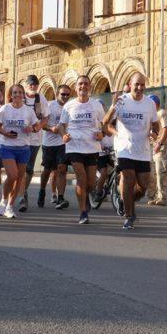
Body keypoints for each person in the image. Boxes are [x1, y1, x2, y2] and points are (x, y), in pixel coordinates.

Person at [107, 73, 161, 230]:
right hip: (124, 149)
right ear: (130, 84)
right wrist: (118, 133)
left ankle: (125, 200)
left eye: (142, 85)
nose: (140, 87)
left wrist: (154, 133)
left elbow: (156, 126)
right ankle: (129, 216)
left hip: (142, 151)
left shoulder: (150, 104)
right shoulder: (122, 101)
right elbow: (107, 124)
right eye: (137, 84)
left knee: (143, 187)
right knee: (129, 180)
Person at [59, 75, 105, 224]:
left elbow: (104, 123)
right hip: (74, 146)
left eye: (86, 84)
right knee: (81, 179)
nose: (83, 86)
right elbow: (61, 125)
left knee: (91, 183)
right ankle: (83, 213)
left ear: (90, 87)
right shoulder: (69, 106)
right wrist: (63, 135)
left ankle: (86, 196)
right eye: (80, 84)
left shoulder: (96, 105)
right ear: (76, 87)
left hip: (91, 147)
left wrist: (101, 133)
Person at [0, 84, 39, 219]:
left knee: (20, 178)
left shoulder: (28, 111)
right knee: (12, 175)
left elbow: (37, 125)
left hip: (24, 147)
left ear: (23, 95)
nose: (18, 95)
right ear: (11, 95)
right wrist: (6, 133)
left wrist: (31, 128)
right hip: (7, 146)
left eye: (20, 92)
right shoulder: (4, 109)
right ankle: (3, 199)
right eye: (15, 93)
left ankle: (9, 206)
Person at [39, 85, 70, 208]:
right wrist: (51, 128)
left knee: (62, 169)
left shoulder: (71, 107)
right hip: (49, 143)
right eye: (63, 94)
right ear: (57, 94)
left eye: (68, 94)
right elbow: (41, 124)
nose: (65, 97)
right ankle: (42, 191)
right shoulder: (50, 106)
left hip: (63, 143)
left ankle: (61, 197)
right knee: (47, 171)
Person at [18, 75, 44, 211]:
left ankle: (23, 192)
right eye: (30, 84)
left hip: (34, 139)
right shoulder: (19, 97)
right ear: (26, 85)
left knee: (28, 169)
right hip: (19, 139)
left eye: (35, 84)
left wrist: (37, 127)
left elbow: (46, 117)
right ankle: (20, 195)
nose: (33, 87)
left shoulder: (41, 99)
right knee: (19, 169)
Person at [147, 94, 167, 206]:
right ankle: (155, 196)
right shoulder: (150, 115)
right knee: (152, 173)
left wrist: (159, 143)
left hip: (161, 146)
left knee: (160, 171)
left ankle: (162, 197)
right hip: (151, 146)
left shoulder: (161, 113)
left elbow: (166, 129)